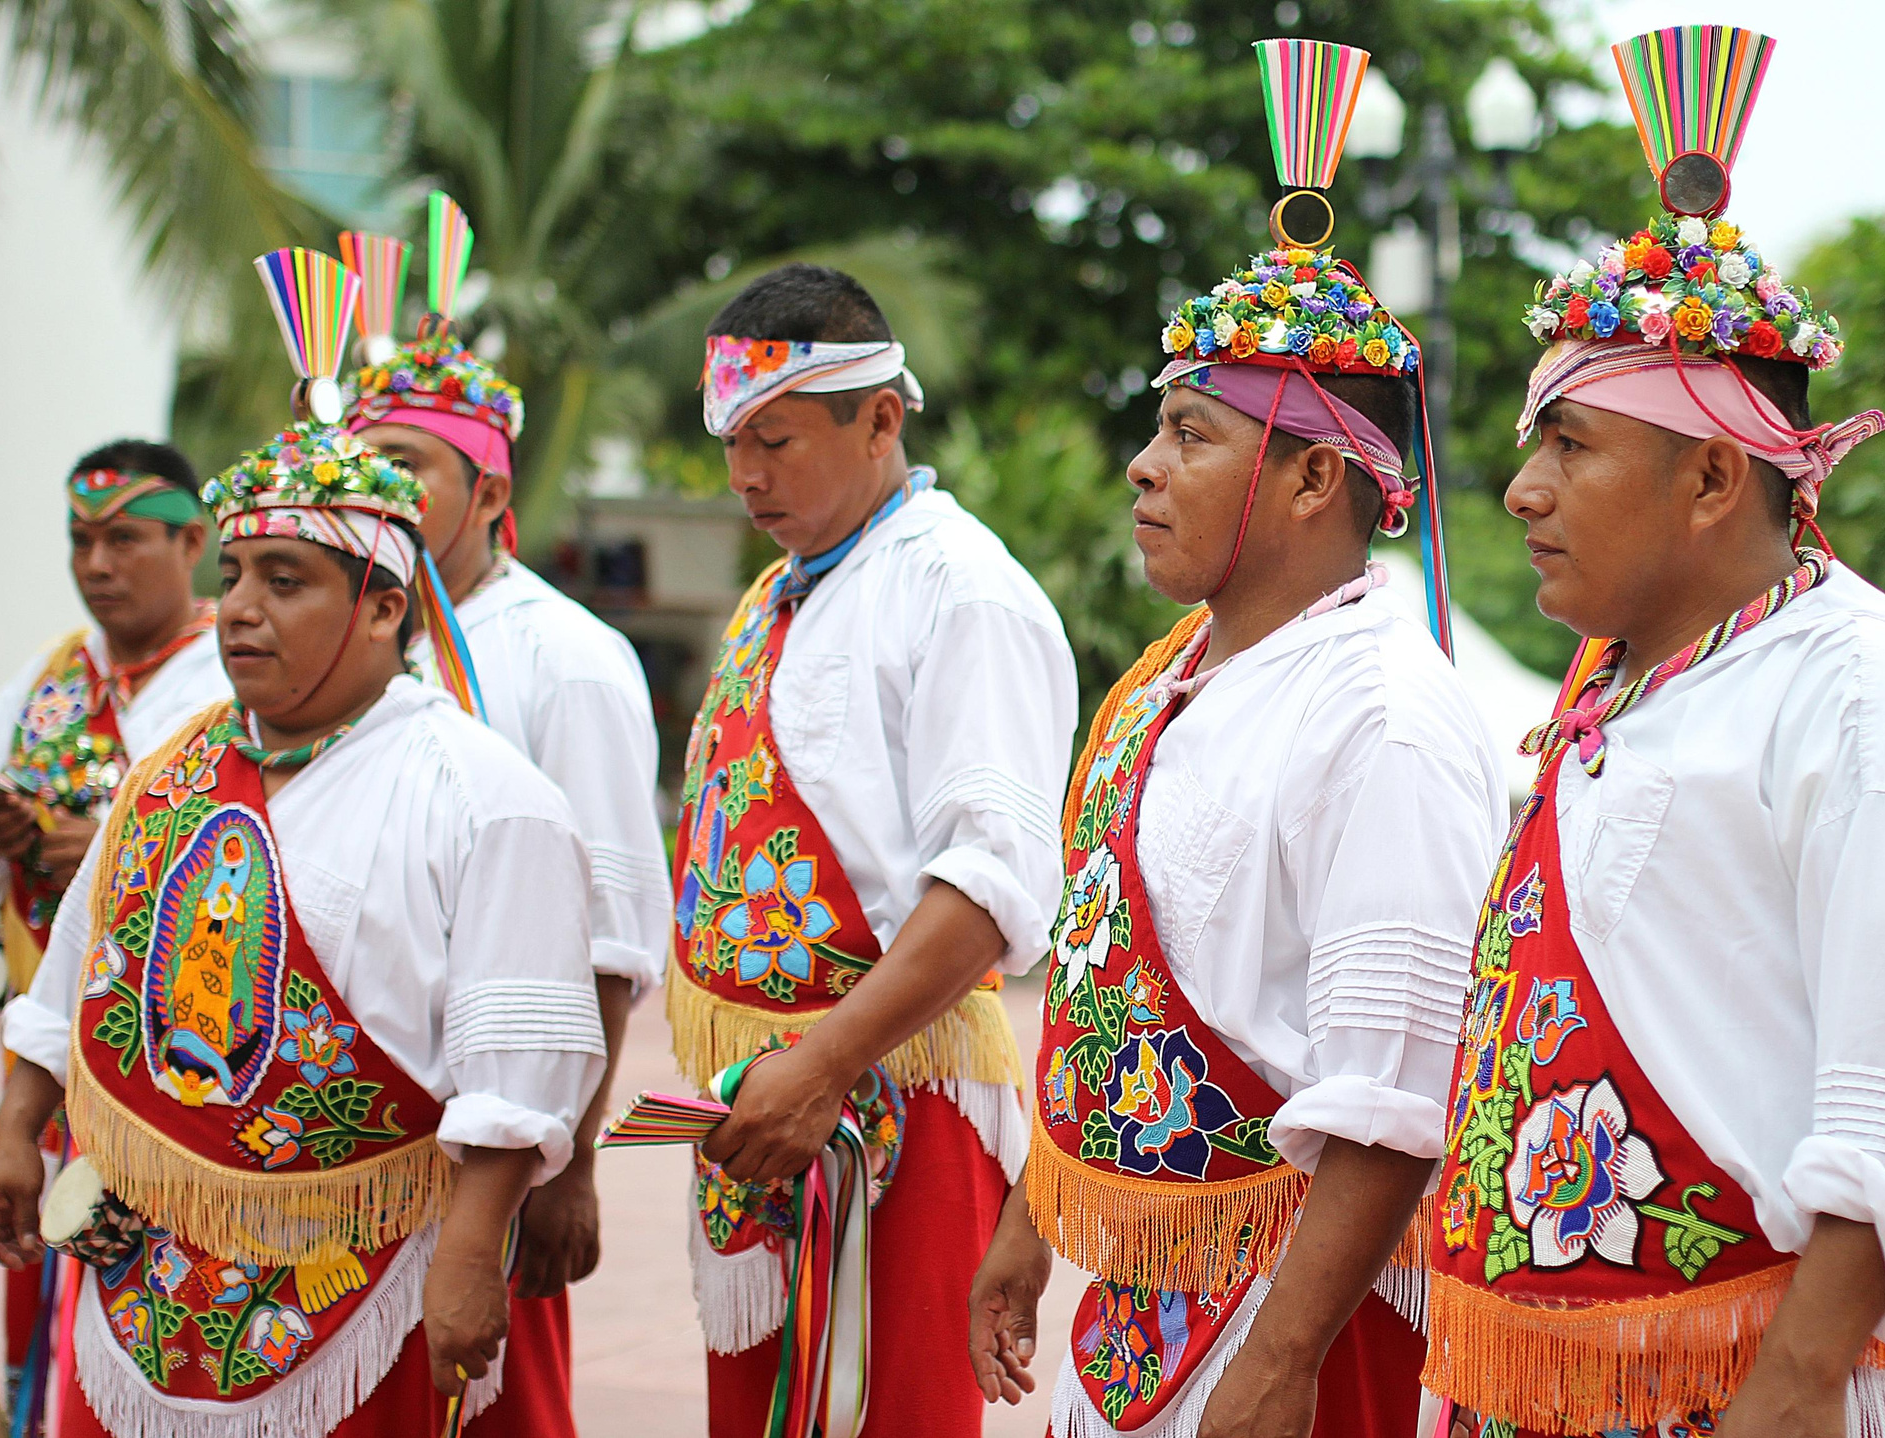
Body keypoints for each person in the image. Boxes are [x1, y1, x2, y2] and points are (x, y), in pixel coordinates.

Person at [1419, 25, 1885, 1438]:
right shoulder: (1622, 678)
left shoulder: (1876, 698)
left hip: (1744, 1395)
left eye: (1570, 445)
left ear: (1711, 477)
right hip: (1534, 1380)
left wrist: (1797, 1380)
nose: (1521, 491)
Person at [0, 282, 606, 1438]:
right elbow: (72, 980)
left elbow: (515, 1079)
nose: (240, 613)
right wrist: (17, 1128)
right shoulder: (167, 774)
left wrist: (470, 1255)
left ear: (381, 605)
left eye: (288, 581)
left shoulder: (488, 798)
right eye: (234, 579)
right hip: (147, 1279)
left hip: (356, 1291)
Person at [964, 224, 1511, 1436]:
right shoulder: (1170, 679)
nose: (1141, 467)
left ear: (1316, 478)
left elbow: (1395, 1094)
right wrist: (1032, 1218)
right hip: (1149, 1301)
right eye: (1160, 428)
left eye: (1190, 434)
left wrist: (1279, 1363)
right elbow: (1107, 984)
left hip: (1300, 1328)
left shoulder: (1383, 722)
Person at [674, 263, 1076, 1436]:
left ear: (882, 419)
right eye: (733, 443)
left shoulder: (963, 595)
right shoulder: (779, 591)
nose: (747, 474)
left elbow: (991, 881)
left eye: (778, 439)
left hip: (894, 1096)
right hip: (768, 1102)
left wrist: (826, 1060)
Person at [344, 203, 667, 1347]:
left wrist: (567, 1162)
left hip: (501, 1128)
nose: (374, 492)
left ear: (487, 492)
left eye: (404, 467)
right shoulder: (354, 644)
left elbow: (609, 939)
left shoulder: (567, 657)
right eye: (359, 467)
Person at [0, 438, 228, 1369]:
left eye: (125, 538)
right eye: (80, 540)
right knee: (44, 1281)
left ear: (192, 543)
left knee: (170, 1308)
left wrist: (113, 854)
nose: (97, 565)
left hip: (181, 1052)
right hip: (51, 1044)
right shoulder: (51, 676)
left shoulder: (231, 670)